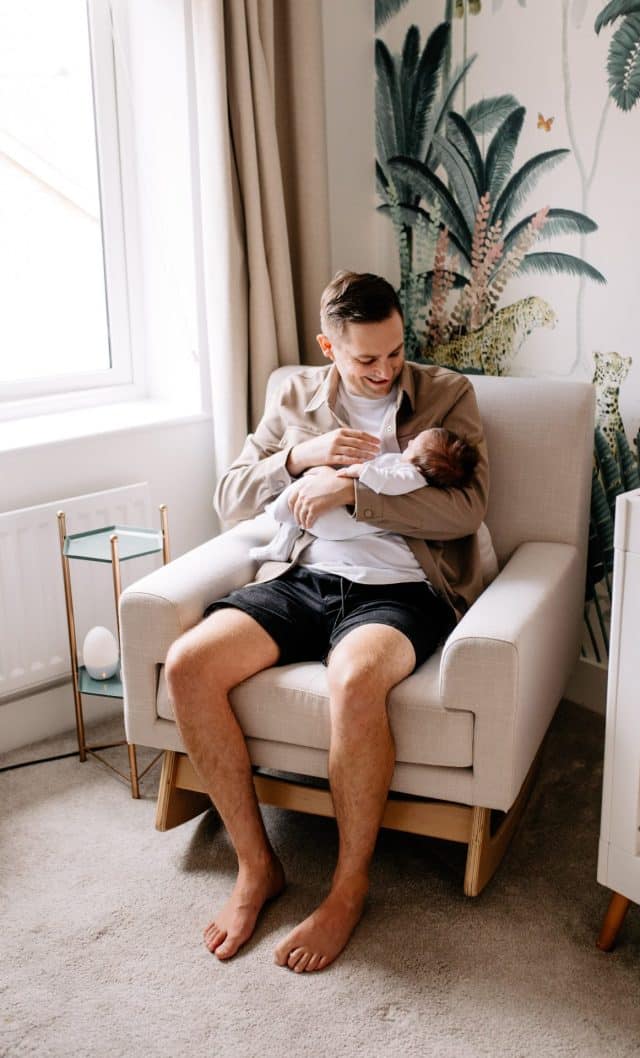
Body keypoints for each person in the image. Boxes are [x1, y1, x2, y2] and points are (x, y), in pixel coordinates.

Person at [164, 270, 489, 974]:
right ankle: (257, 868)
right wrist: (298, 457)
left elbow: (464, 510)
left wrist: (354, 493)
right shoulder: (293, 395)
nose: (384, 371)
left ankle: (348, 887)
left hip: (401, 588)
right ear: (328, 347)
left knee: (354, 681)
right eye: (364, 358)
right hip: (302, 577)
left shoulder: (446, 395)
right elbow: (230, 495)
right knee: (190, 665)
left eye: (395, 352)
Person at [250, 427, 479, 563]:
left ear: (424, 463)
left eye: (414, 445)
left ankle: (275, 514)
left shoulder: (412, 475)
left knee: (304, 488)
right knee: (308, 489)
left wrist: (355, 474)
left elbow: (388, 482)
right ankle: (282, 542)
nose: (408, 442)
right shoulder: (406, 467)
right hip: (336, 523)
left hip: (342, 523)